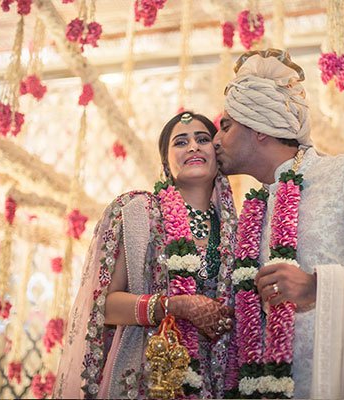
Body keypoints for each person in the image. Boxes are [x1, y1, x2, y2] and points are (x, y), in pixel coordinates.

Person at [213, 49, 344, 398]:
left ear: (260, 130)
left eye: (226, 126)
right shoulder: (255, 207)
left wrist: (319, 287)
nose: (216, 140)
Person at [54, 111, 238, 399]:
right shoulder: (137, 213)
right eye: (180, 142)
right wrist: (175, 306)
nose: (193, 147)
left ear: (217, 156)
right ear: (166, 163)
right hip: (147, 377)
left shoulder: (238, 229)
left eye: (202, 139)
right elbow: (105, 305)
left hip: (219, 379)